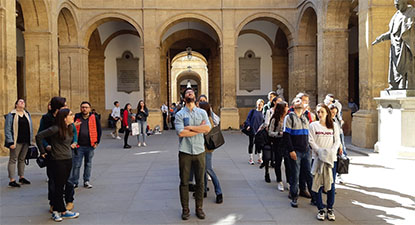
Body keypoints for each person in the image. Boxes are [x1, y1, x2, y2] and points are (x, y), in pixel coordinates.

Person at [36, 108, 80, 222]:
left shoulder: (70, 127)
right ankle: (57, 211)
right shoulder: (55, 128)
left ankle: (63, 211)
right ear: (64, 118)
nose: (73, 116)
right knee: (58, 187)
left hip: (68, 159)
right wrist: (43, 151)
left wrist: (74, 143)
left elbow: (74, 137)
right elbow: (39, 136)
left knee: (63, 185)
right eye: (71, 115)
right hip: (57, 160)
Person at [174, 88, 211, 220]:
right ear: (184, 98)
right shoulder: (179, 114)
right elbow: (181, 133)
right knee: (184, 182)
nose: (190, 94)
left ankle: (199, 208)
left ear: (195, 97)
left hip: (200, 151)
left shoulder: (202, 112)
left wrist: (190, 128)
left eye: (192, 93)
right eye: (187, 93)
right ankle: (185, 209)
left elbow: (207, 128)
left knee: (200, 182)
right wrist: (198, 129)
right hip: (185, 152)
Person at [372, 0, 415, 89]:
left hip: (406, 45)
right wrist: (382, 37)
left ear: (404, 3)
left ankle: (405, 85)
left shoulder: (412, 12)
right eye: (395, 5)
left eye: (398, 5)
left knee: (406, 66)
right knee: (394, 68)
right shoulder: (396, 15)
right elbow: (392, 33)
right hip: (395, 46)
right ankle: (395, 85)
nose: (397, 8)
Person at [308, 104, 341, 221]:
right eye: (318, 112)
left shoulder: (334, 126)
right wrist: (320, 152)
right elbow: (311, 141)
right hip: (317, 158)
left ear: (327, 112)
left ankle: (330, 208)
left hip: (331, 160)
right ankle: (320, 209)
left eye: (322, 112)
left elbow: (337, 141)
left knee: (331, 184)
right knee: (317, 184)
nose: (320, 114)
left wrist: (331, 153)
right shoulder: (313, 125)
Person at [283, 97, 313, 208]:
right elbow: (287, 135)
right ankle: (294, 197)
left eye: (301, 101)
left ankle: (315, 197)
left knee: (309, 174)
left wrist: (310, 148)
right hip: (296, 151)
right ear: (293, 105)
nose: (299, 102)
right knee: (295, 175)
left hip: (306, 151)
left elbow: (308, 134)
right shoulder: (289, 117)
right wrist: (291, 150)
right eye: (297, 101)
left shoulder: (305, 118)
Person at [70, 101, 102, 189]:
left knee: (88, 164)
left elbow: (99, 130)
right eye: (83, 107)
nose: (84, 109)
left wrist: (97, 142)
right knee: (76, 164)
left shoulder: (94, 117)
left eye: (86, 107)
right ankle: (75, 182)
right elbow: (71, 129)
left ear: (90, 109)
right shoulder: (77, 117)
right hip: (78, 146)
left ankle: (86, 181)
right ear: (80, 108)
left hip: (90, 145)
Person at [4, 99, 34, 187]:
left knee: (22, 159)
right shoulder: (11, 115)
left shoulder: (27, 114)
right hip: (16, 141)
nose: (22, 103)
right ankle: (12, 179)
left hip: (26, 141)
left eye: (23, 102)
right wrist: (10, 142)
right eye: (20, 102)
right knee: (13, 159)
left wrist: (30, 140)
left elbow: (30, 127)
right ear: (16, 104)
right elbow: (7, 129)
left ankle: (21, 177)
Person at [199, 101, 223, 204]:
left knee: (208, 169)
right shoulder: (204, 118)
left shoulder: (207, 119)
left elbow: (205, 132)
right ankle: (204, 190)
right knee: (203, 170)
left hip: (206, 149)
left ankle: (219, 192)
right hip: (201, 148)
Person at [268, 101, 291, 191]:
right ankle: (279, 181)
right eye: (286, 107)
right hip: (278, 142)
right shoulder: (275, 119)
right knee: (278, 162)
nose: (288, 108)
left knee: (288, 163)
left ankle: (289, 181)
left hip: (287, 142)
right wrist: (279, 133)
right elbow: (270, 132)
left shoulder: (288, 118)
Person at [245, 99, 265, 165]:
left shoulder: (263, 113)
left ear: (263, 105)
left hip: (260, 131)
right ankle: (251, 158)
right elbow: (248, 119)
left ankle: (260, 158)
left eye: (261, 104)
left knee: (259, 145)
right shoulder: (252, 111)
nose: (259, 106)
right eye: (258, 104)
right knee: (251, 144)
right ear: (256, 104)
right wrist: (248, 125)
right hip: (253, 130)